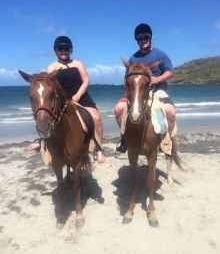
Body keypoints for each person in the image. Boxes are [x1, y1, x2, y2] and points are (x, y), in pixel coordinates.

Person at [28, 36, 106, 163]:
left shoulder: (78, 64)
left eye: (66, 48)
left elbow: (86, 81)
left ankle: (99, 148)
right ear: (55, 50)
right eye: (60, 48)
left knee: (96, 118)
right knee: (45, 117)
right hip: (62, 99)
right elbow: (49, 87)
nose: (63, 51)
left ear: (71, 50)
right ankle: (42, 140)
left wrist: (78, 95)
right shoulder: (51, 68)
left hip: (81, 96)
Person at [114, 23, 176, 152]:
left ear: (150, 38)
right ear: (137, 41)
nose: (143, 41)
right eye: (140, 39)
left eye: (145, 38)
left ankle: (166, 140)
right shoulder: (133, 58)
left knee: (170, 111)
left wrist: (157, 79)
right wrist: (128, 92)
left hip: (157, 90)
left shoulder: (160, 54)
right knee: (119, 109)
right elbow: (127, 78)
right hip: (137, 92)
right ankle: (125, 138)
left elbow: (170, 72)